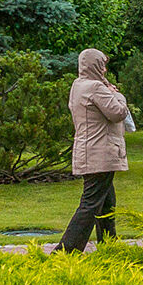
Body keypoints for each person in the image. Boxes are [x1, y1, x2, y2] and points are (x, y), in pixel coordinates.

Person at [56, 48, 130, 253]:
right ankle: (65, 251)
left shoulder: (78, 85)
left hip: (89, 152)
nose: (105, 69)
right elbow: (118, 113)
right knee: (90, 205)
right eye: (102, 65)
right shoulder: (96, 87)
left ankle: (109, 247)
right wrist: (117, 94)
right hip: (101, 154)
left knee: (106, 202)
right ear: (94, 65)